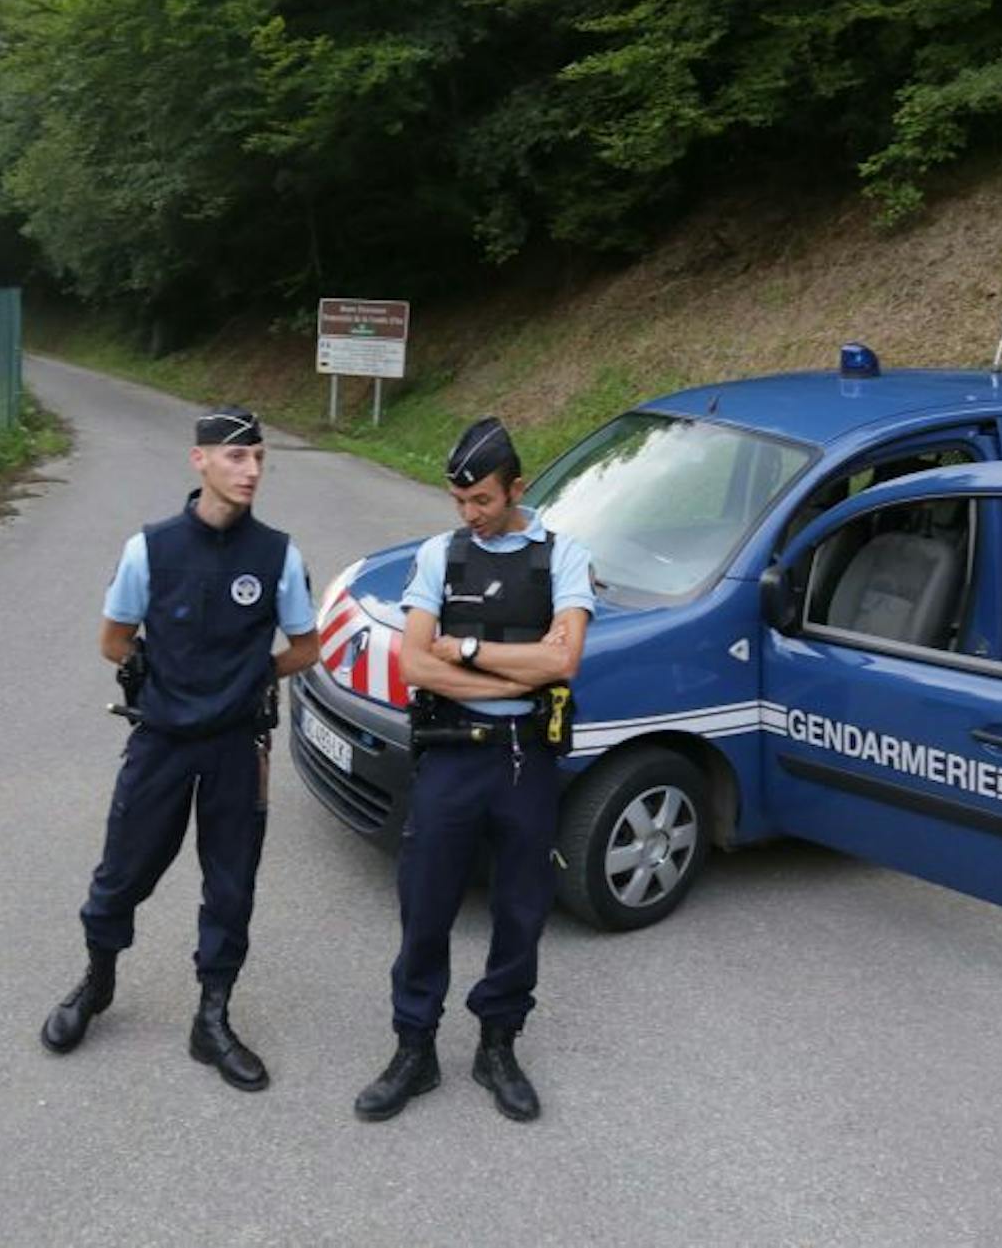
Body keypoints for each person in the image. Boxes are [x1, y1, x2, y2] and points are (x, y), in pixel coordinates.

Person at [40, 405, 320, 1093]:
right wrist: (158, 676)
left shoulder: (279, 555)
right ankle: (97, 983)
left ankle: (212, 1018)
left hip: (236, 749)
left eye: (258, 456)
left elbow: (306, 648)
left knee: (231, 886)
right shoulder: (151, 549)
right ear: (199, 461)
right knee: (121, 875)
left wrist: (252, 677)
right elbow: (113, 640)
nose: (251, 469)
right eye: (235, 456)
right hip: (161, 742)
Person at [353, 417, 594, 1124]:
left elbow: (563, 662)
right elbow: (413, 663)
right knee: (425, 903)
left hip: (525, 760)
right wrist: (500, 669)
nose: (470, 515)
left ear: (517, 487)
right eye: (460, 503)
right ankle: (414, 1046)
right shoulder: (441, 555)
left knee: (521, 907)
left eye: (483, 501)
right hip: (453, 755)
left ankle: (498, 1043)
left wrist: (460, 652)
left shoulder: (564, 556)